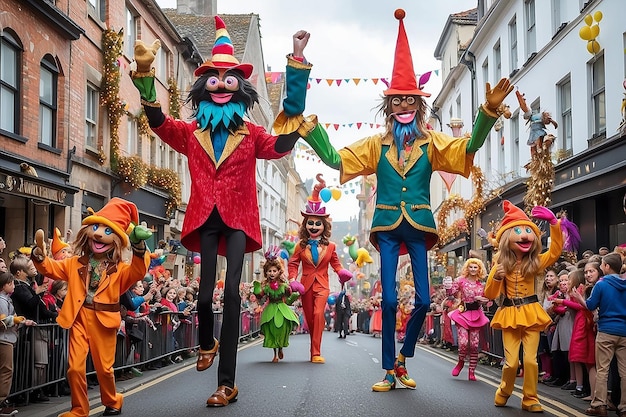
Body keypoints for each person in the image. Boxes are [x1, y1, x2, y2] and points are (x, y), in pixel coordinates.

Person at [300, 9, 513, 392]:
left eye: (409, 101)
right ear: (388, 106)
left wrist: (488, 113)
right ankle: (386, 371)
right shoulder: (374, 144)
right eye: (396, 102)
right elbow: (336, 160)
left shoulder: (432, 143)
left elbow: (470, 146)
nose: (402, 108)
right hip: (385, 226)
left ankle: (401, 359)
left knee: (424, 301)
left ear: (419, 105)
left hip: (417, 224)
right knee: (388, 301)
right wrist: (311, 133)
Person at [130, 17, 313, 408]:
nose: (221, 87)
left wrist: (296, 64)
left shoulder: (250, 133)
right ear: (203, 87)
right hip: (203, 217)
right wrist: (145, 78)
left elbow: (279, 146)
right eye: (214, 80)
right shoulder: (192, 131)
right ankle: (206, 341)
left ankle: (226, 382)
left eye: (229, 81)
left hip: (238, 219)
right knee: (202, 294)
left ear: (240, 89)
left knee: (232, 293)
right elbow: (159, 123)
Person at [30, 197, 152, 417]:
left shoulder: (121, 269)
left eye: (107, 231)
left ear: (116, 239)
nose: (98, 235)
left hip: (104, 320)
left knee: (104, 369)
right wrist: (39, 257)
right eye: (95, 227)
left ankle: (113, 400)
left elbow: (138, 271)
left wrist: (139, 247)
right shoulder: (74, 263)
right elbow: (51, 268)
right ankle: (79, 409)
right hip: (78, 317)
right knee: (75, 368)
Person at [484, 201, 564, 413]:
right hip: (509, 314)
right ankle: (504, 391)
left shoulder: (536, 261)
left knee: (530, 361)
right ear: (506, 238)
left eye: (529, 230)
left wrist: (554, 224)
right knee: (511, 364)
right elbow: (490, 295)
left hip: (531, 313)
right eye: (518, 231)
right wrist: (495, 277)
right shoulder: (500, 265)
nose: (525, 235)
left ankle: (530, 398)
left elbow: (555, 251)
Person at [287, 175, 352, 364]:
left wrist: (341, 272)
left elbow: (336, 264)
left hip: (322, 285)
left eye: (318, 223)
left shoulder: (331, 246)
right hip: (305, 285)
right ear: (306, 225)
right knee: (310, 318)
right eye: (311, 223)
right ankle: (313, 344)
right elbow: (293, 264)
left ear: (324, 226)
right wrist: (293, 279)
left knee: (318, 314)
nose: (314, 226)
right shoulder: (300, 245)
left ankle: (315, 351)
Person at [570, 253, 626, 417]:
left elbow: (590, 305)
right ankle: (624, 407)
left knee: (603, 369)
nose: (601, 266)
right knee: (624, 372)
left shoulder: (601, 286)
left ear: (607, 267)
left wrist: (579, 298)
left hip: (606, 330)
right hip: (624, 331)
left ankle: (599, 404)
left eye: (602, 264)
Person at [9, 254, 57, 403]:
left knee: (34, 363)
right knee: (27, 363)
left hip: (31, 329)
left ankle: (33, 390)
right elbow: (30, 304)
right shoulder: (18, 287)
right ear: (19, 272)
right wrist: (38, 293)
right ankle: (26, 392)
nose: (33, 269)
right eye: (29, 268)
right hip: (24, 330)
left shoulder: (28, 285)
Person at [253, 246, 302, 363]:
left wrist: (292, 289)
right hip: (270, 309)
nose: (272, 273)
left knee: (282, 329)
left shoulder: (283, 285)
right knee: (272, 330)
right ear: (266, 272)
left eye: (274, 271)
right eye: (269, 271)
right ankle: (275, 353)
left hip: (281, 308)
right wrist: (256, 289)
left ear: (279, 272)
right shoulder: (266, 286)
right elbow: (260, 296)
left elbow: (289, 295)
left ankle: (280, 347)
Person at [446, 258, 490, 381]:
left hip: (476, 314)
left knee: (474, 345)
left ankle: (472, 371)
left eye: (475, 267)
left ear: (479, 269)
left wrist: (482, 300)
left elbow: (489, 300)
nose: (473, 269)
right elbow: (451, 294)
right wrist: (448, 287)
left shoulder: (482, 285)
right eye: (471, 267)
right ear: (467, 268)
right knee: (464, 342)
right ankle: (460, 363)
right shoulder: (461, 281)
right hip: (463, 314)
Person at [1, 271, 37, 416]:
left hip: (7, 339)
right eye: (11, 283)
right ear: (4, 285)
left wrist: (22, 321)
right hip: (4, 340)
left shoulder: (6, 299)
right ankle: (1, 402)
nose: (14, 286)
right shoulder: (2, 301)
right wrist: (15, 320)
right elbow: (2, 321)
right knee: (5, 371)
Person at [558, 269, 596, 400]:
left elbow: (583, 306)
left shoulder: (582, 290)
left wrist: (562, 302)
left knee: (588, 360)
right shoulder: (578, 290)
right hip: (580, 323)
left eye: (569, 279)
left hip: (584, 324)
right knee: (578, 358)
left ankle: (590, 391)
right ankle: (582, 387)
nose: (567, 282)